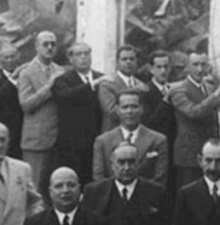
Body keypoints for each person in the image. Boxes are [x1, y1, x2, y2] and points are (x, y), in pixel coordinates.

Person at [169, 52, 220, 189]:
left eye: (203, 64)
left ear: (208, 67)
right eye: (195, 64)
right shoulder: (178, 89)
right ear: (187, 68)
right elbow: (194, 112)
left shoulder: (209, 88)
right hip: (189, 155)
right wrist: (217, 94)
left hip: (210, 155)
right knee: (188, 196)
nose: (200, 69)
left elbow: (214, 120)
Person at [17, 31, 65, 197]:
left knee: (56, 189)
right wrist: (49, 87)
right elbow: (26, 105)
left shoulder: (61, 70)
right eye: (45, 44)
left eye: (53, 44)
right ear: (36, 47)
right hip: (36, 140)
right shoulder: (26, 73)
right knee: (34, 189)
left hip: (59, 139)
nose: (50, 47)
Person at [52, 42, 104, 186]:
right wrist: (92, 85)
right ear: (70, 59)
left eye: (86, 53)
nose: (83, 57)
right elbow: (65, 96)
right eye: (78, 54)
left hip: (97, 140)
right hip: (72, 145)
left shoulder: (101, 78)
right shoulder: (63, 80)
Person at [91, 90, 169, 184]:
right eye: (125, 107)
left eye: (134, 106)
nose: (129, 111)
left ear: (141, 109)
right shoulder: (102, 141)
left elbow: (159, 178)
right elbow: (98, 178)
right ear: (117, 110)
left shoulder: (158, 140)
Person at [141, 50, 177, 194]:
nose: (163, 71)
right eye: (159, 67)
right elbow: (148, 123)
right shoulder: (145, 91)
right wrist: (165, 101)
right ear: (151, 69)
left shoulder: (175, 89)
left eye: (166, 67)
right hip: (154, 148)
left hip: (174, 147)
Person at [98, 45, 150, 133]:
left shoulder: (142, 85)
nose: (128, 62)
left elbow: (147, 112)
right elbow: (112, 112)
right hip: (114, 134)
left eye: (132, 59)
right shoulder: (107, 83)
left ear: (136, 62)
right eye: (124, 59)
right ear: (117, 62)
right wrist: (135, 90)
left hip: (138, 134)